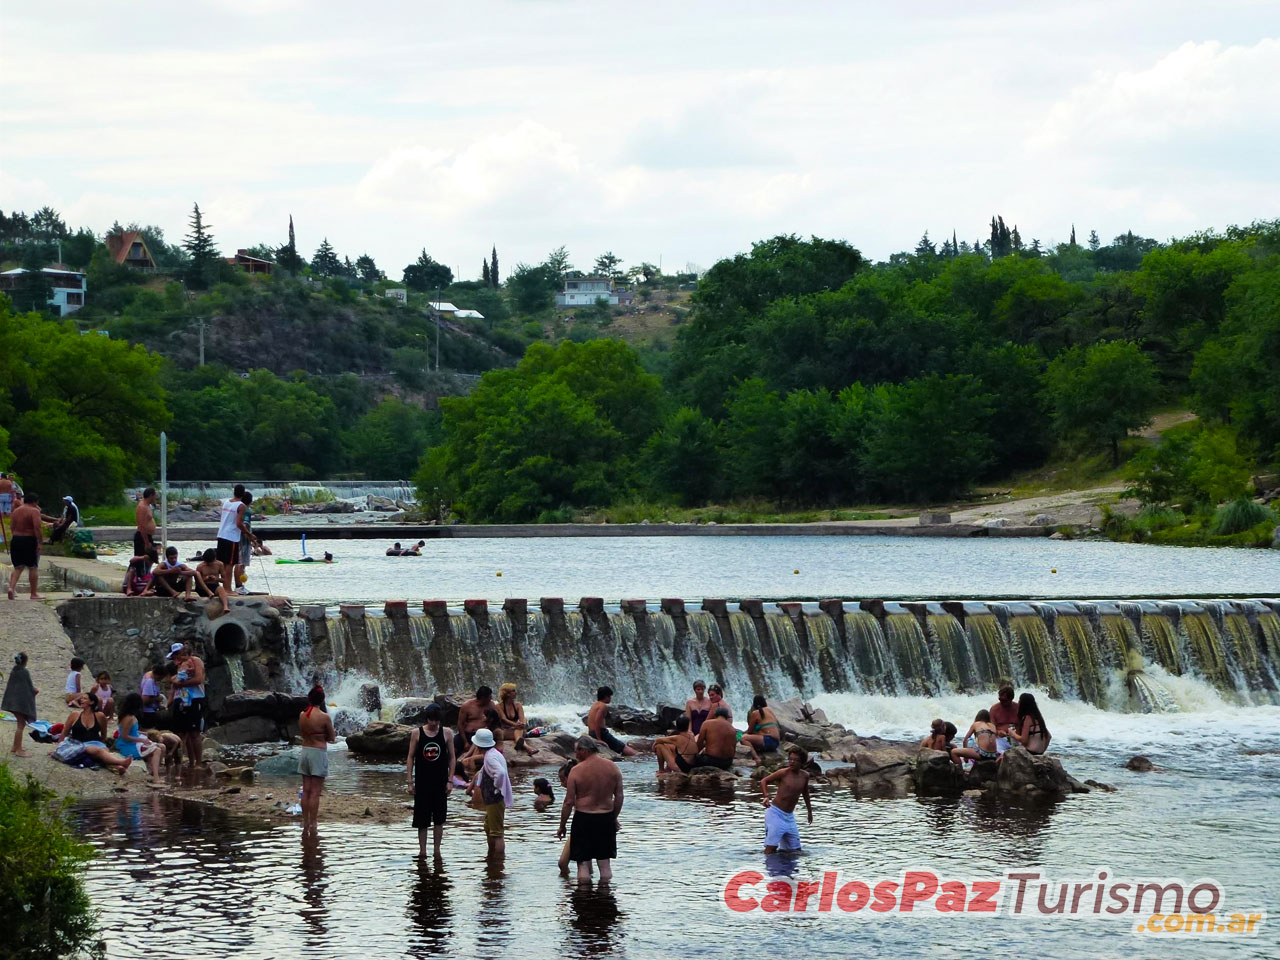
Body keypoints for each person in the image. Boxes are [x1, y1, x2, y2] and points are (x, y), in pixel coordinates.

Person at [558, 736, 624, 883]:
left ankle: (584, 900)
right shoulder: (613, 767)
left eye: (576, 751)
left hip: (584, 819)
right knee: (605, 864)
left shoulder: (576, 771)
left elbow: (568, 802)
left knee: (582, 864)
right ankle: (605, 897)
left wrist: (562, 825)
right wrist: (613, 818)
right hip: (605, 817)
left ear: (583, 750)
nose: (575, 755)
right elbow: (619, 797)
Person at [406, 702, 455, 858]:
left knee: (439, 819)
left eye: (436, 720)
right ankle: (422, 850)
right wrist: (409, 781)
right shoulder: (417, 733)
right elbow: (410, 757)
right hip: (422, 782)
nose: (434, 723)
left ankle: (437, 850)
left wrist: (450, 780)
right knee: (422, 819)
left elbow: (452, 758)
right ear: (426, 719)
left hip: (440, 782)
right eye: (431, 720)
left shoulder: (447, 733)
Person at [54, 693, 132, 775]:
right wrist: (59, 747)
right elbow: (65, 732)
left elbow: (103, 735)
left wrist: (102, 744)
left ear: (91, 702)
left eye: (84, 698)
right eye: (81, 698)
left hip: (97, 743)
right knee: (97, 751)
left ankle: (118, 767)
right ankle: (121, 762)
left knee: (103, 752)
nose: (81, 700)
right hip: (79, 744)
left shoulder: (100, 716)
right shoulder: (74, 715)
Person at [298, 684, 336, 838]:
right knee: (315, 792)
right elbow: (332, 738)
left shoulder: (302, 715)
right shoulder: (324, 717)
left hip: (305, 752)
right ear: (322, 700)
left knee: (306, 790)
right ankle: (313, 823)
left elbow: (302, 732)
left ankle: (305, 822)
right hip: (318, 753)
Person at [467, 728, 512, 858]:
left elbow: (500, 773)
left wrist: (497, 786)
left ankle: (497, 862)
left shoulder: (490, 757)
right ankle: (491, 855)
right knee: (488, 826)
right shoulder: (493, 754)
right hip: (493, 799)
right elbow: (483, 771)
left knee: (497, 833)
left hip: (495, 798)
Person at [760, 745, 814, 854]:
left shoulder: (805, 776)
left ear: (802, 762)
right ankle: (767, 868)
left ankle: (786, 869)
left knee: (795, 850)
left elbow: (805, 793)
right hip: (775, 814)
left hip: (789, 817)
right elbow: (764, 781)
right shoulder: (783, 773)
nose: (792, 762)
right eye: (790, 759)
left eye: (796, 760)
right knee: (771, 849)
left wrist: (809, 811)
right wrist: (766, 796)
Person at [169, 642, 207, 768]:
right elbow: (174, 683)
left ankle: (198, 763)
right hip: (181, 700)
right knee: (182, 733)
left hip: (195, 699)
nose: (180, 658)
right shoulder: (179, 665)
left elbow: (199, 679)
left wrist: (181, 684)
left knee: (194, 733)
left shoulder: (195, 661)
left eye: (181, 655)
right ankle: (189, 761)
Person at [7, 492, 46, 600]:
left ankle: (11, 588)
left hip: (16, 539)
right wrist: (40, 542)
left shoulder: (16, 511)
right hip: (29, 540)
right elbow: (37, 527)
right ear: (35, 502)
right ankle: (33, 593)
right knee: (33, 567)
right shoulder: (34, 511)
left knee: (18, 567)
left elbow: (12, 527)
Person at [115, 692, 163, 778]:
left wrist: (145, 733)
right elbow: (124, 736)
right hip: (128, 746)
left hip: (132, 742)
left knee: (161, 747)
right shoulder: (129, 718)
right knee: (157, 750)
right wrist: (142, 740)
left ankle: (151, 771)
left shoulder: (127, 715)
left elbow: (133, 731)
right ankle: (156, 777)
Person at [3, 652, 38, 757]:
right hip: (19, 703)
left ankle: (15, 746)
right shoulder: (24, 672)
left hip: (11, 701)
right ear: (25, 662)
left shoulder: (14, 670)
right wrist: (35, 691)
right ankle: (19, 750)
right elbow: (29, 687)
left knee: (20, 723)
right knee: (21, 724)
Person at [215, 485, 248, 591]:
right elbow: (239, 523)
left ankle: (223, 588)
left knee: (222, 563)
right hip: (232, 537)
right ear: (243, 494)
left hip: (221, 535)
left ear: (234, 492)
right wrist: (249, 534)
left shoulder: (226, 502)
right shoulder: (241, 506)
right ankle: (227, 589)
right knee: (230, 564)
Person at [586, 686, 636, 756]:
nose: (610, 698)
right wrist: (599, 739)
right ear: (605, 696)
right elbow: (597, 721)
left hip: (591, 732)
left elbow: (590, 721)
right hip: (601, 733)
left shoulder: (594, 705)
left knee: (619, 746)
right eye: (609, 696)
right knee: (622, 747)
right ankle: (639, 757)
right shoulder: (603, 706)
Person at [686, 706, 737, 771]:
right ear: (726, 717)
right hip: (727, 763)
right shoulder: (732, 729)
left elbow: (699, 743)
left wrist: (694, 756)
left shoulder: (707, 723)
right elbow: (733, 750)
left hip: (711, 761)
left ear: (715, 715)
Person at [233, 491, 262, 595]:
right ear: (250, 501)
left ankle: (239, 586)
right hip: (243, 540)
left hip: (235, 538)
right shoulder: (247, 511)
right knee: (240, 563)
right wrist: (251, 537)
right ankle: (239, 587)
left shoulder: (237, 508)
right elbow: (245, 524)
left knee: (239, 563)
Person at [455, 686, 495, 760]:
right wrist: (465, 742)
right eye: (489, 697)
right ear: (483, 697)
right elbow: (460, 724)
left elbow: (495, 720)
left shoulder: (491, 705)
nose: (491, 699)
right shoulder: (467, 706)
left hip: (483, 734)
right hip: (467, 734)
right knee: (453, 746)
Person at [741, 695, 781, 763]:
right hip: (776, 743)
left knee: (743, 738)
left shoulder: (755, 713)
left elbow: (749, 731)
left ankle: (756, 758)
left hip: (768, 741)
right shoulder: (769, 710)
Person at [497, 683, 534, 755]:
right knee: (517, 731)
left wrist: (522, 724)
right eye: (513, 691)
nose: (515, 693)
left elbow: (522, 718)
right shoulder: (499, 706)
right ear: (507, 694)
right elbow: (504, 719)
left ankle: (525, 746)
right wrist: (515, 725)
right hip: (506, 731)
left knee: (519, 730)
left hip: (519, 729)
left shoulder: (518, 705)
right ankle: (525, 746)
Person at [989, 685, 1019, 752]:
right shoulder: (994, 709)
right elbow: (991, 728)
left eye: (1004, 700)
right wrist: (998, 732)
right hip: (1000, 739)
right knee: (997, 751)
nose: (1001, 702)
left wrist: (1016, 732)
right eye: (1000, 699)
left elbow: (1024, 726)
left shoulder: (1018, 708)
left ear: (1011, 698)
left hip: (1016, 737)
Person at [134, 487, 158, 563]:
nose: (156, 498)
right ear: (151, 495)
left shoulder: (147, 505)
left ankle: (147, 574)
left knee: (153, 558)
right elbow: (141, 525)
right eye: (155, 496)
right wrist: (146, 543)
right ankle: (134, 573)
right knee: (142, 560)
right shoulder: (142, 507)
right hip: (142, 537)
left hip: (148, 536)